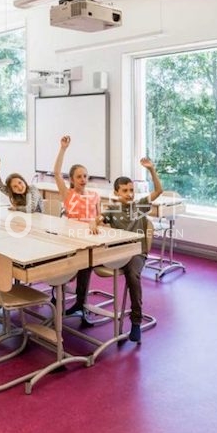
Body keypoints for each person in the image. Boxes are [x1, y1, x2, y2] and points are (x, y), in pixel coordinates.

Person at [100, 157, 164, 342]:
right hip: (118, 252)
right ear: (116, 192)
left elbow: (159, 191)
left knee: (133, 276)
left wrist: (151, 170)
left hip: (136, 254)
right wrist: (94, 222)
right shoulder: (113, 210)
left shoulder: (140, 206)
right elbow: (99, 218)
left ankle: (136, 321)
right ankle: (81, 305)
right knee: (87, 263)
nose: (129, 194)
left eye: (131, 190)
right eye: (125, 191)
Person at [53, 135, 102, 320]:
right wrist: (63, 149)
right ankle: (57, 293)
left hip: (89, 239)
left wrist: (95, 221)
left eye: (85, 176)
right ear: (72, 180)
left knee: (85, 266)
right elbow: (57, 173)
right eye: (79, 177)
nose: (83, 179)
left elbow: (100, 217)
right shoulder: (68, 194)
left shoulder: (95, 195)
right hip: (71, 238)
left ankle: (80, 303)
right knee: (66, 265)